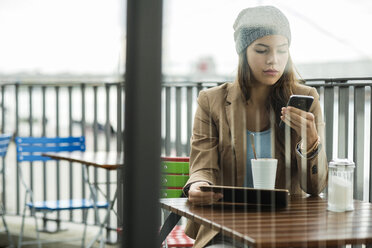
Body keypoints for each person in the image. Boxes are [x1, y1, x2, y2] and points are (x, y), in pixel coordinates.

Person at [182, 5, 328, 248]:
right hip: (227, 228)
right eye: (261, 50)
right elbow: (202, 168)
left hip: (287, 229)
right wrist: (198, 186)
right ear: (243, 53)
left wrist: (311, 141)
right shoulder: (212, 101)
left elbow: (315, 188)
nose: (273, 60)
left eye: (282, 50)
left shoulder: (306, 99)